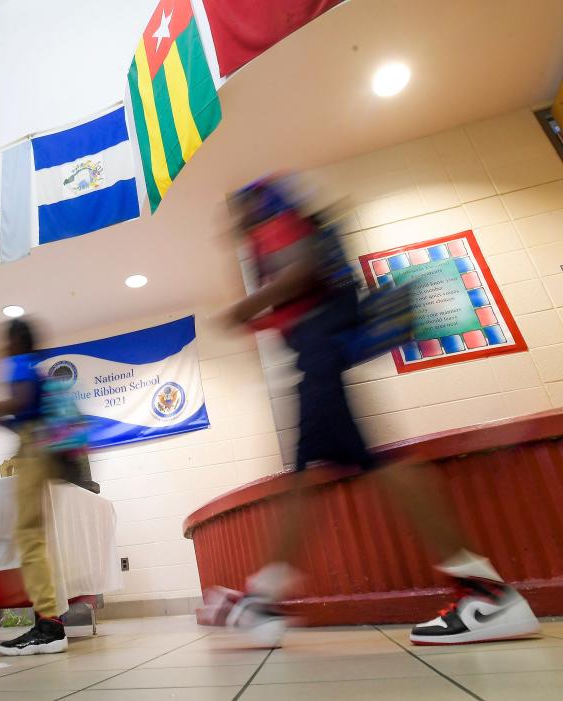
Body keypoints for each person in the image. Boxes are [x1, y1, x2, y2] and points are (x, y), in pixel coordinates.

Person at [205, 176, 540, 647]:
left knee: (363, 467)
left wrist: (244, 308)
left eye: (235, 213)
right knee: (316, 473)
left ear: (250, 205)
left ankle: (488, 593)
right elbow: (298, 289)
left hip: (320, 355)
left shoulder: (273, 221)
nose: (232, 224)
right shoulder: (279, 227)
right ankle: (264, 597)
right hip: (317, 357)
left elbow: (302, 272)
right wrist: (258, 316)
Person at [0, 317, 68, 656]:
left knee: (29, 536)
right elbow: (26, 416)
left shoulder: (18, 363)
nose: (2, 348)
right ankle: (48, 619)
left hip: (34, 451)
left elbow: (19, 400)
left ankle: (48, 624)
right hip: (39, 447)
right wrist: (2, 419)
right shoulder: (35, 367)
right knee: (32, 536)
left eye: (6, 341)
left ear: (16, 342)